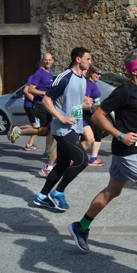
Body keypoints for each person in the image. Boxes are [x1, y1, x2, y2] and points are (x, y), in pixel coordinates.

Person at [68, 49, 137, 254]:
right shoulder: (124, 91)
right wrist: (119, 135)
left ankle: (81, 227)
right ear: (134, 71)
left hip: (133, 149)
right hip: (128, 152)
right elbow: (98, 115)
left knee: (113, 191)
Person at [33, 47, 91, 211]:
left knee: (62, 165)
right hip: (63, 129)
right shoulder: (64, 77)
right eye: (88, 59)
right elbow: (46, 100)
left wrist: (85, 105)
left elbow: (72, 104)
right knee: (82, 161)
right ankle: (58, 192)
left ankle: (41, 196)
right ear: (78, 59)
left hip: (75, 127)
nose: (90, 62)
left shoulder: (83, 79)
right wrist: (61, 118)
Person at [8, 54, 56, 172]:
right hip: (39, 105)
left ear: (52, 61)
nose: (47, 62)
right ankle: (19, 131)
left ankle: (47, 151)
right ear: (42, 61)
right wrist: (42, 95)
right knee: (41, 129)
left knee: (51, 128)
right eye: (45, 60)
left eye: (49, 60)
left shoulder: (49, 74)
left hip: (47, 105)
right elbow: (29, 89)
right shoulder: (39, 73)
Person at [83, 66, 106, 166]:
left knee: (93, 135)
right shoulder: (89, 84)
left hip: (93, 112)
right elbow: (85, 99)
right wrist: (92, 106)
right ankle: (92, 159)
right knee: (96, 134)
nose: (99, 76)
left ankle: (91, 158)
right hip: (89, 113)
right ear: (91, 73)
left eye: (100, 74)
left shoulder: (93, 84)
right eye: (97, 73)